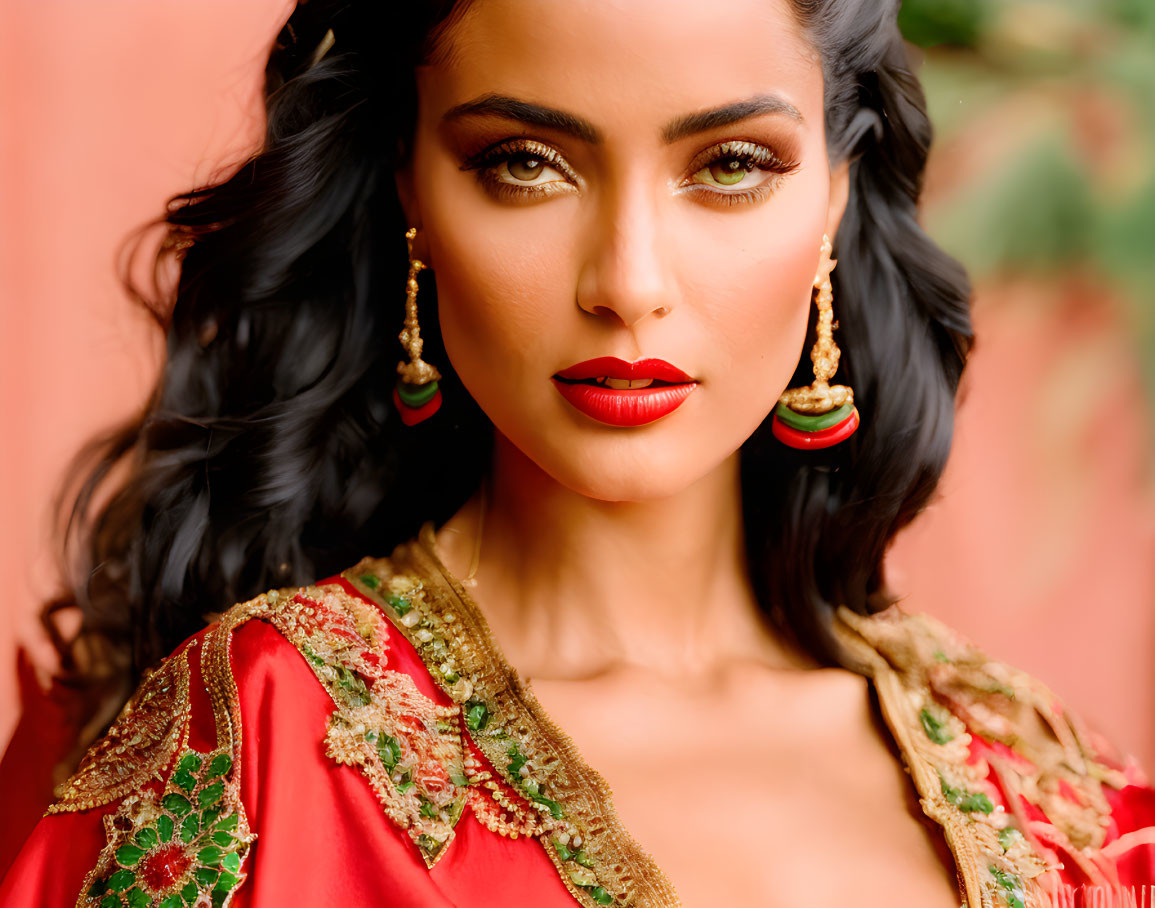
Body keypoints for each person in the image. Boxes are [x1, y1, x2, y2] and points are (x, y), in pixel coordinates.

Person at [1, 0, 1152, 905]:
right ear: (409, 185)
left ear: (837, 197)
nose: (629, 283)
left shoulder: (1056, 796)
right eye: (526, 162)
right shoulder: (266, 745)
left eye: (732, 164)